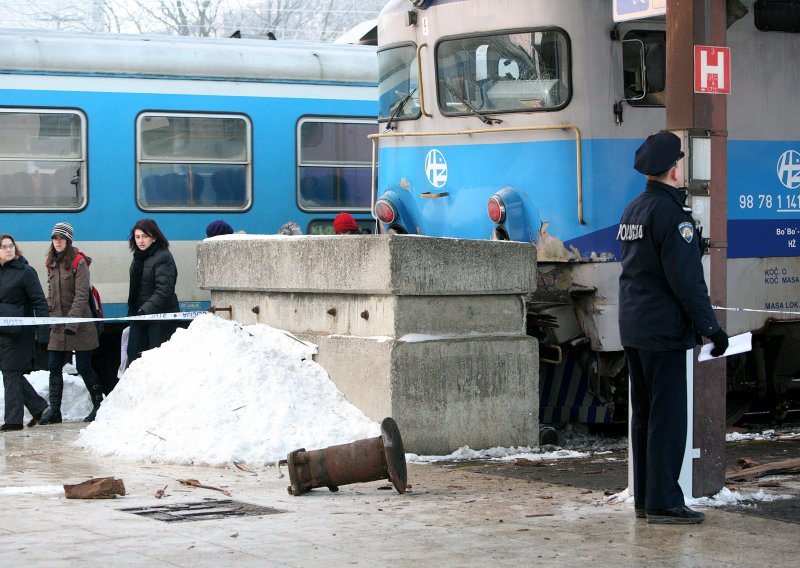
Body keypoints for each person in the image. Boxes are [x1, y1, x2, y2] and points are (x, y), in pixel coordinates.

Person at [617, 130, 729, 525]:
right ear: (671, 171)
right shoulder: (671, 215)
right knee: (667, 418)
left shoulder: (634, 209)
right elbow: (686, 281)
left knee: (645, 416)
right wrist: (711, 328)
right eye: (678, 164)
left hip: (634, 327)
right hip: (663, 331)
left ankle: (646, 499)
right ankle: (665, 502)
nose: (680, 170)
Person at [39, 222, 105, 424]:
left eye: (61, 238)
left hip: (80, 324)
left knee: (84, 367)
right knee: (53, 367)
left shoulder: (79, 262)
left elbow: (81, 294)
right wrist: (51, 319)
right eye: (55, 238)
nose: (58, 242)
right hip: (59, 325)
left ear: (68, 240)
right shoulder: (51, 262)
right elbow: (51, 294)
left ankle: (99, 406)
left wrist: (73, 322)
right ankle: (55, 410)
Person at [0, 234, 49, 431]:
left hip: (19, 331)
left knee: (11, 371)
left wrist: (43, 331)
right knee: (9, 371)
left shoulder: (26, 271)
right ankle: (38, 406)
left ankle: (13, 421)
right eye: (4, 247)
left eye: (11, 246)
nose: (8, 250)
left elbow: (40, 302)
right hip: (2, 330)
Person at [126, 219, 180, 365]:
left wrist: (145, 310)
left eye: (145, 236)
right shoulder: (139, 256)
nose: (140, 241)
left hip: (159, 318)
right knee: (134, 357)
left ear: (154, 237)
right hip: (141, 316)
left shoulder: (163, 257)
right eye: (137, 237)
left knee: (156, 360)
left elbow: (164, 290)